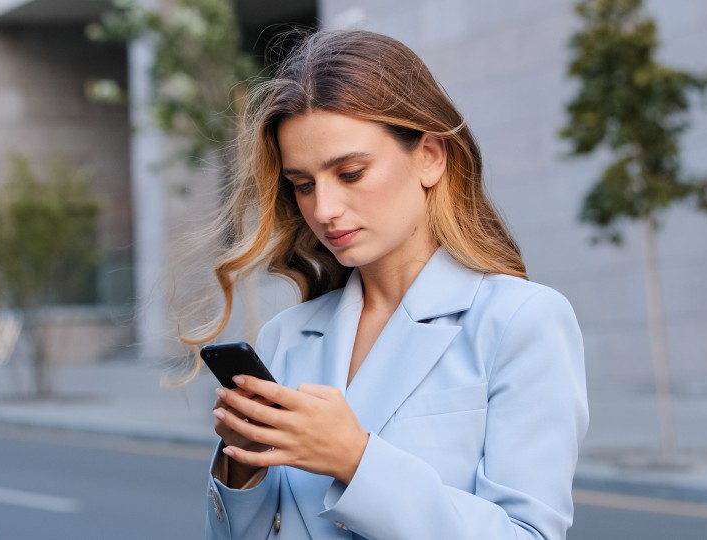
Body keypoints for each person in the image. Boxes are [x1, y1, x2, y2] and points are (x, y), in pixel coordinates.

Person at [187, 29, 589, 540]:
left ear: (430, 157)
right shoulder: (285, 337)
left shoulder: (520, 321)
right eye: (303, 185)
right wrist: (243, 468)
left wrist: (356, 459)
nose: (324, 210)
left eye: (350, 173)